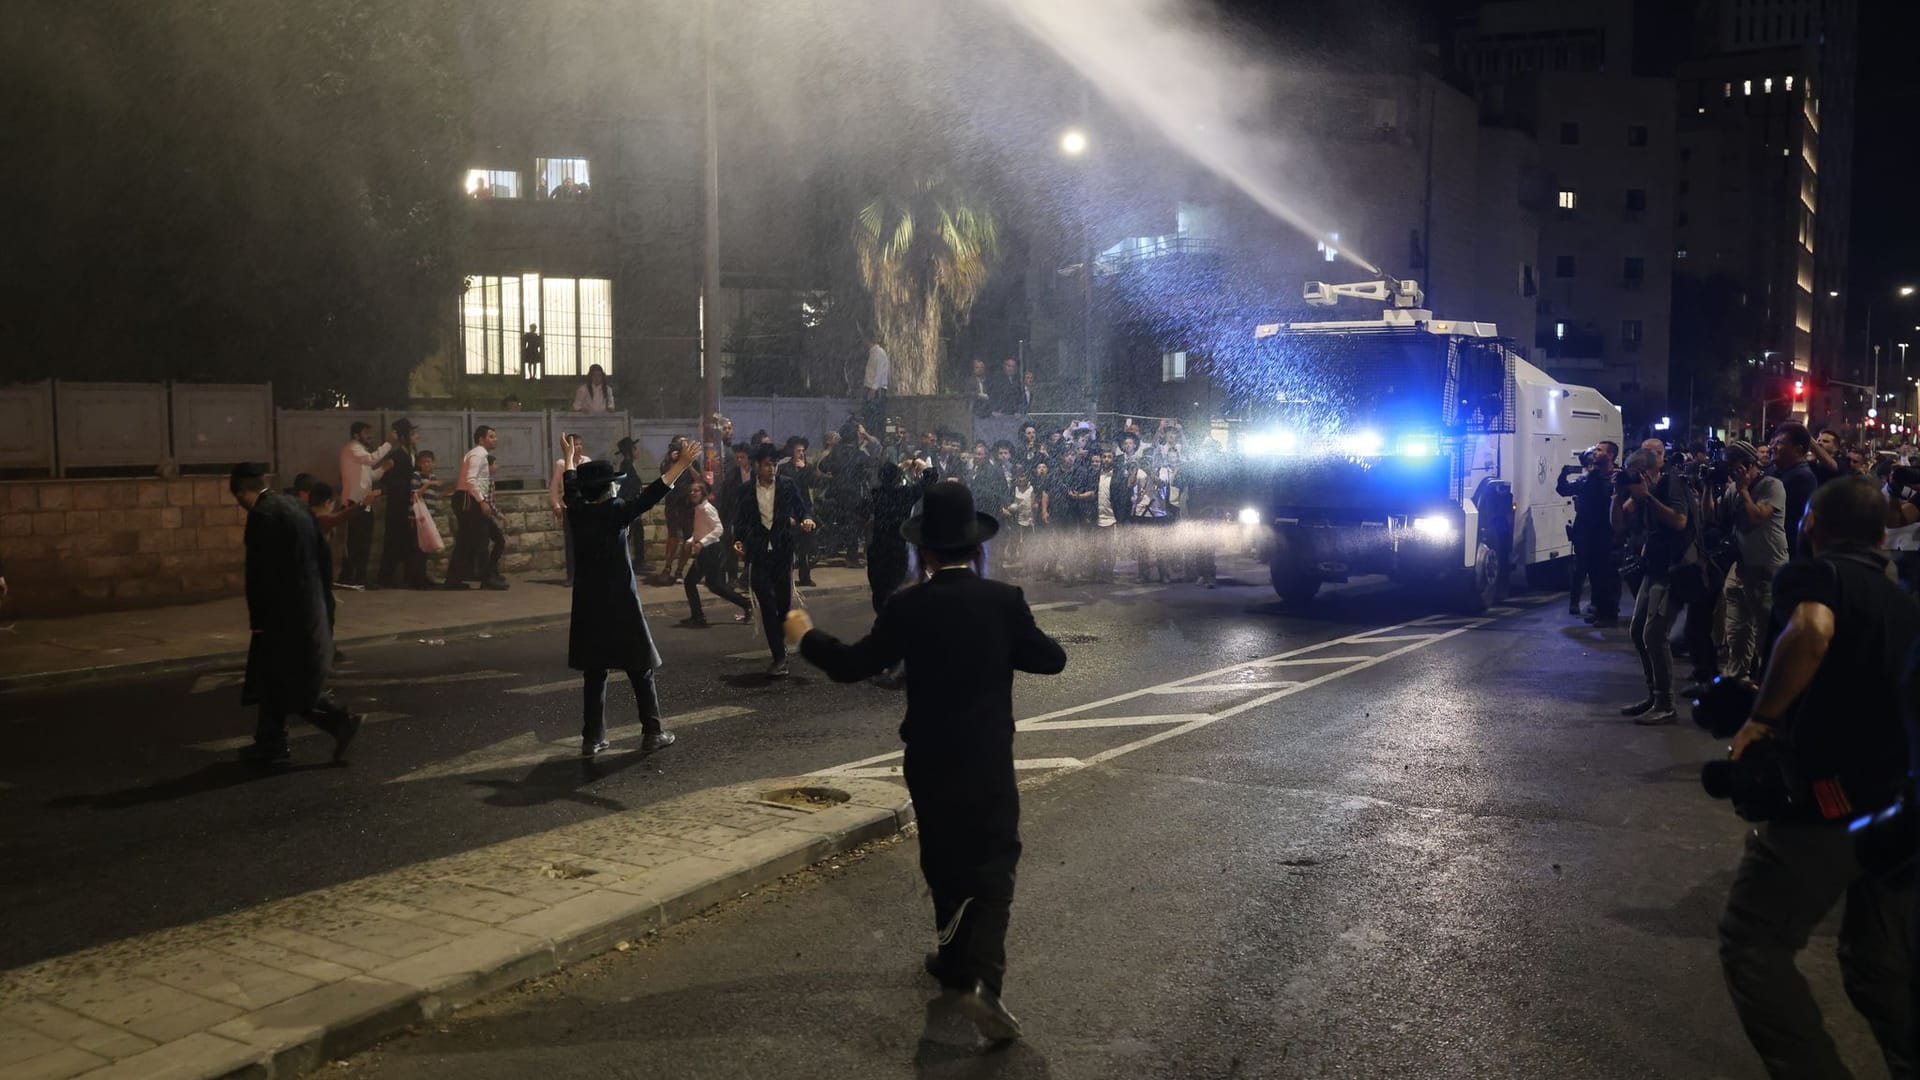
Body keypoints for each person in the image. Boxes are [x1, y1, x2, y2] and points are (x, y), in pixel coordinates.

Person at [784, 479, 1067, 1042]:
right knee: (992, 863)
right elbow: (1052, 660)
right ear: (975, 546)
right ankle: (980, 982)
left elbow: (854, 665)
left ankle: (952, 960)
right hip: (985, 755)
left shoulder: (909, 604)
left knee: (942, 857)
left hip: (930, 756)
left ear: (927, 550)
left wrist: (806, 636)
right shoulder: (1002, 601)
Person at [1720, 476, 1920, 1078]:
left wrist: (1761, 719)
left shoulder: (1816, 576)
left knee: (1753, 939)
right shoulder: (1904, 602)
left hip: (1830, 800)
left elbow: (1811, 632)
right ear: (1884, 534)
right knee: (1875, 965)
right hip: (1898, 804)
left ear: (1810, 525)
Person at [561, 439, 703, 757]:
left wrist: (568, 459)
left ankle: (593, 737)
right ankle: (652, 732)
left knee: (595, 672)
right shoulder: (615, 511)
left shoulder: (578, 512)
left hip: (588, 604)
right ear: (607, 489)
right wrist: (680, 466)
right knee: (640, 668)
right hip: (621, 604)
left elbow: (570, 486)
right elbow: (650, 496)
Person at [229, 463, 363, 766]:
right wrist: (325, 601)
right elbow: (323, 555)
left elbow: (258, 574)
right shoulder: (296, 507)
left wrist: (258, 621)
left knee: (284, 677)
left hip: (281, 612)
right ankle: (270, 741)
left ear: (241, 492)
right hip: (310, 603)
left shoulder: (262, 516)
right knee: (275, 677)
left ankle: (338, 722)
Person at [1613, 447, 1698, 725]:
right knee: (1638, 630)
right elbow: (1618, 525)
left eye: (1638, 474)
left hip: (1676, 568)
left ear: (1651, 472)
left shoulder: (1672, 484)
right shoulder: (1639, 491)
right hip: (1655, 567)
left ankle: (1666, 703)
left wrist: (1648, 497)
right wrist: (1618, 494)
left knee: (1654, 633)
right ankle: (1654, 695)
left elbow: (1679, 521)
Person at [731, 443, 817, 677]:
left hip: (782, 552)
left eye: (775, 464)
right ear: (758, 466)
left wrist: (807, 520)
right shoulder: (746, 490)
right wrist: (738, 540)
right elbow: (740, 519)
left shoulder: (788, 486)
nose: (772, 469)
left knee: (782, 606)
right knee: (767, 606)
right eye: (768, 464)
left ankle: (784, 645)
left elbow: (803, 509)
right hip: (757, 553)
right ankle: (779, 657)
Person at [1719, 440, 1788, 683]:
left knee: (1766, 630)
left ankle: (1769, 683)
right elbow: (1715, 518)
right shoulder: (1733, 489)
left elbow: (1758, 516)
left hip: (1767, 567)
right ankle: (1736, 676)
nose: (1731, 472)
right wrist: (1709, 488)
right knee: (1736, 629)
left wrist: (1744, 490)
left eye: (1735, 466)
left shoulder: (1772, 485)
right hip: (1740, 567)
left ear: (1749, 465)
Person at [1558, 442, 1620, 625]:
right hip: (1587, 533)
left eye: (1599, 450)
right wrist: (1563, 473)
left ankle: (1609, 614)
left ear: (1610, 456)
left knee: (1608, 574)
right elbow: (1563, 490)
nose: (1595, 453)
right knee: (1593, 574)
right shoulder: (1588, 478)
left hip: (1606, 533)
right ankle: (1600, 611)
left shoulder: (1616, 478)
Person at [679, 478, 751, 628]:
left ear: (703, 493)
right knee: (712, 585)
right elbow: (700, 530)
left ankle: (699, 617)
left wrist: (701, 543)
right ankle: (745, 604)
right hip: (704, 551)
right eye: (691, 491)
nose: (693, 493)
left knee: (699, 583)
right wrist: (691, 540)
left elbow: (719, 529)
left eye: (696, 490)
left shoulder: (707, 509)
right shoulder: (698, 509)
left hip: (711, 551)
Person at [375, 419, 431, 590]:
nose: (417, 437)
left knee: (409, 541)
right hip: (397, 504)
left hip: (410, 503)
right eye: (413, 434)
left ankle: (412, 576)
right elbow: (384, 476)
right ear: (405, 436)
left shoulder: (412, 453)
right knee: (393, 540)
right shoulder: (396, 455)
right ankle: (385, 578)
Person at [448, 426, 506, 590]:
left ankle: (454, 579)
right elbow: (470, 480)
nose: (495, 439)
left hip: (468, 498)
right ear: (481, 439)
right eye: (491, 436)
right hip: (469, 499)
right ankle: (485, 578)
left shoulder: (479, 454)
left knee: (465, 541)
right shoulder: (478, 454)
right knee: (481, 539)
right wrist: (482, 501)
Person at [336, 422, 392, 588]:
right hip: (353, 503)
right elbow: (370, 459)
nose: (370, 436)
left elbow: (370, 477)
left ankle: (359, 577)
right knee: (356, 542)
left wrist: (384, 469)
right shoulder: (352, 449)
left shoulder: (359, 452)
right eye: (366, 432)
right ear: (356, 435)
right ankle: (349, 577)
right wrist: (388, 443)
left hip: (364, 503)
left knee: (363, 541)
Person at [1771, 423, 1819, 556]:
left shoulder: (1803, 477)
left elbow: (1793, 520)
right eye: (1774, 442)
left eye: (1779, 443)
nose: (1773, 447)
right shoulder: (1778, 471)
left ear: (1797, 450)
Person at [549, 433, 588, 586]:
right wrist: (556, 505)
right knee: (571, 542)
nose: (577, 447)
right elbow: (554, 487)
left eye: (579, 444)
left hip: (585, 506)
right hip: (570, 507)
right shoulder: (562, 463)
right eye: (574, 444)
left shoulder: (586, 461)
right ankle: (571, 575)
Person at [863, 338, 890, 432]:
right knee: (869, 417)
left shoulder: (879, 353)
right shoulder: (873, 353)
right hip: (871, 387)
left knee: (875, 418)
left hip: (876, 390)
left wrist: (873, 389)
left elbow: (879, 372)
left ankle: (876, 439)